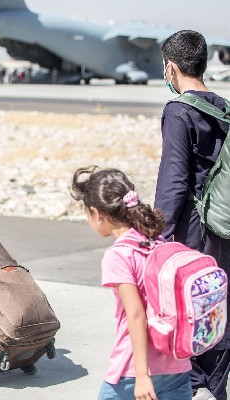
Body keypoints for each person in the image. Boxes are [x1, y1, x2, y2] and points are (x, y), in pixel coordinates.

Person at [71, 166, 192, 400]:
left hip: (133, 370)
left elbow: (136, 314)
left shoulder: (118, 255)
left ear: (97, 213)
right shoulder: (157, 241)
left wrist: (142, 375)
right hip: (177, 363)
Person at [154, 30, 230, 400]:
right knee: (219, 303)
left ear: (171, 67)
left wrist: (158, 235)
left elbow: (174, 179)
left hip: (194, 230)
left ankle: (196, 387)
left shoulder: (179, 111)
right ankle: (217, 385)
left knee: (192, 309)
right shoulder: (223, 107)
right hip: (225, 225)